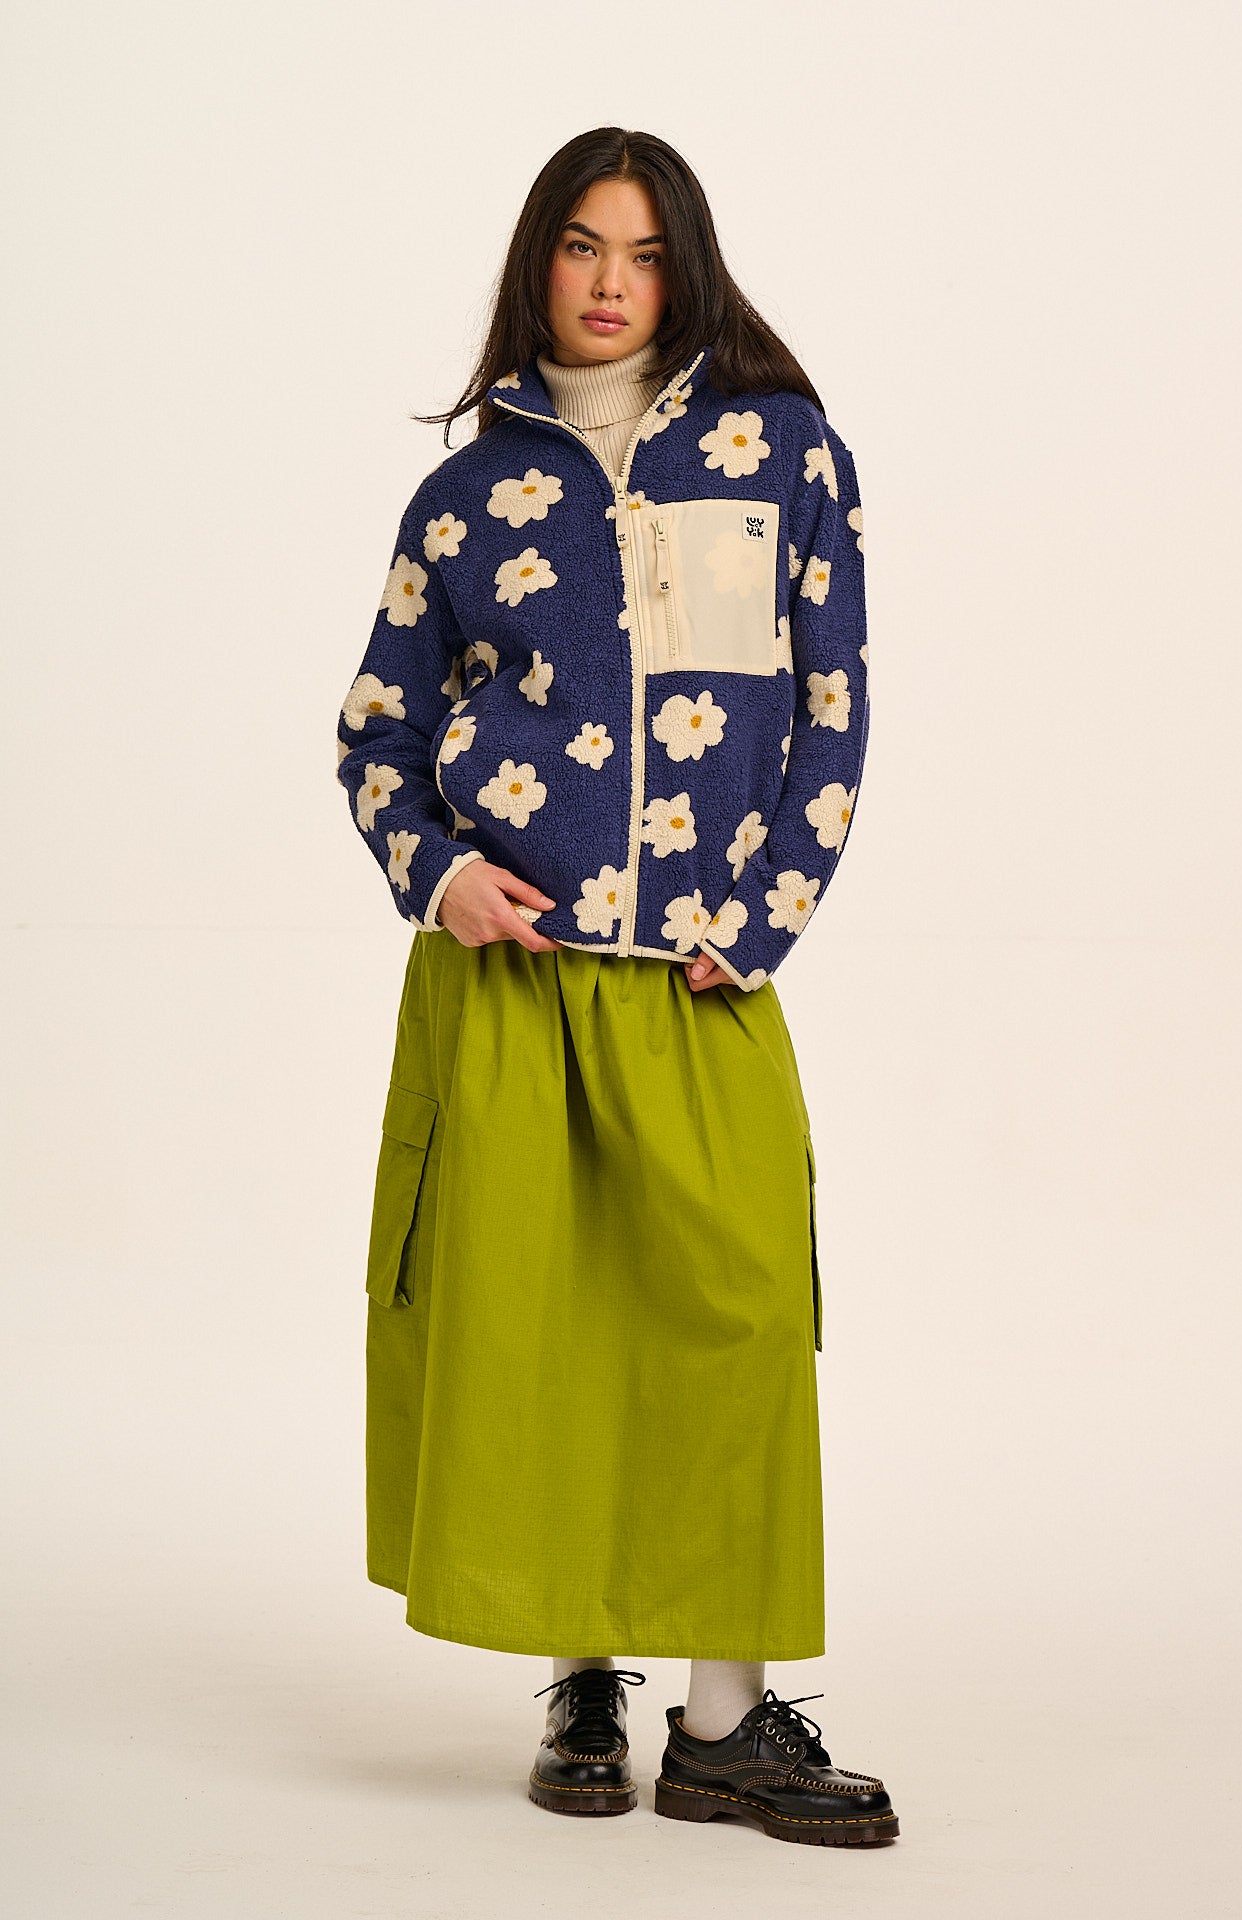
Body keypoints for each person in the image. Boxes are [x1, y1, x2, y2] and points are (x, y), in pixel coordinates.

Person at [334, 126, 897, 1849]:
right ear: (539, 259)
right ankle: (581, 1683)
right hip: (511, 983)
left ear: (686, 269)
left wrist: (768, 917)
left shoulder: (783, 453)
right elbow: (376, 734)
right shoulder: (465, 495)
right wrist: (440, 876)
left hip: (700, 982)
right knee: (542, 1331)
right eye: (582, 246)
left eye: (644, 254)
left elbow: (833, 712)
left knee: (736, 1320)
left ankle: (722, 1725)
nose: (608, 282)